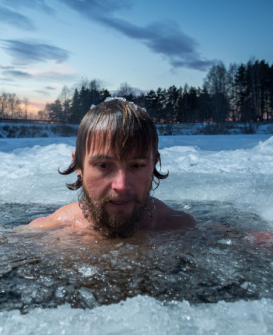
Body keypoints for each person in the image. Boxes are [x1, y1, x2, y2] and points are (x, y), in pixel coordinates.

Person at [25, 97, 196, 238]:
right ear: (78, 166)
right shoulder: (46, 232)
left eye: (137, 165)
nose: (121, 186)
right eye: (104, 165)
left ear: (153, 165)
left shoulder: (183, 229)